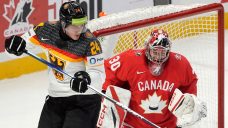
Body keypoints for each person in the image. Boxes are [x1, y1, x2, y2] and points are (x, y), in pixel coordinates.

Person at [5, 1, 104, 128]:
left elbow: (100, 74)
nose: (80, 29)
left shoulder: (90, 42)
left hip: (84, 100)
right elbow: (19, 48)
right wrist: (12, 46)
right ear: (63, 23)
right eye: (75, 25)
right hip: (56, 98)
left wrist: (86, 79)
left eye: (82, 24)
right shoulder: (45, 30)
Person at [102, 29, 207, 128]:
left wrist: (190, 98)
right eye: (155, 52)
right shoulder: (130, 59)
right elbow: (110, 69)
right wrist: (107, 92)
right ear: (148, 47)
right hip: (132, 125)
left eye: (162, 53)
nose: (158, 57)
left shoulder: (180, 63)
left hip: (166, 125)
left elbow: (190, 82)